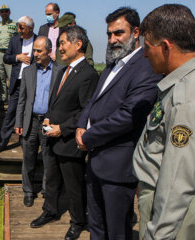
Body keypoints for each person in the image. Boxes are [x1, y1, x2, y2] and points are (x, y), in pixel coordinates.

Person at [75, 7, 162, 239]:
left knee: (117, 232)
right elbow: (93, 100)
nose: (112, 40)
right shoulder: (112, 65)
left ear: (136, 32)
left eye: (118, 33)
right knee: (96, 227)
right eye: (109, 34)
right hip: (95, 162)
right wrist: (81, 125)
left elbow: (128, 116)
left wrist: (88, 137)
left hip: (118, 166)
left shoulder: (146, 67)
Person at [133, 4, 195, 239]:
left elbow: (177, 182)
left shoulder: (185, 98)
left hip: (166, 218)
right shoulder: (177, 85)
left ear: (166, 47)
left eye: (148, 47)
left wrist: (158, 234)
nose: (145, 54)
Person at [31, 26, 99, 240]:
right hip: (52, 137)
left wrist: (63, 128)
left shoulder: (88, 74)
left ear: (78, 44)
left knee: (73, 185)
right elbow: (58, 101)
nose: (59, 47)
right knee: (50, 179)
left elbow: (85, 110)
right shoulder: (64, 70)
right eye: (59, 43)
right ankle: (50, 211)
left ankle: (78, 221)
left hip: (69, 140)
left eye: (62, 43)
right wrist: (50, 117)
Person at [15, 36, 62, 207]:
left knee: (49, 160)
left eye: (39, 51)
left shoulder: (59, 71)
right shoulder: (28, 71)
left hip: (48, 122)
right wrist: (19, 122)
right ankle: (28, 191)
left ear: (49, 51)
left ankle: (45, 190)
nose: (35, 54)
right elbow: (22, 99)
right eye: (34, 50)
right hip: (31, 122)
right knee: (28, 158)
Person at [0, 16, 37, 153]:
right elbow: (6, 58)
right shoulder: (14, 40)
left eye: (21, 28)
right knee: (11, 111)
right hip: (17, 82)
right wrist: (18, 57)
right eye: (18, 27)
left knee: (28, 112)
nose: (19, 30)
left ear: (30, 28)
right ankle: (3, 142)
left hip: (32, 83)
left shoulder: (38, 40)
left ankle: (24, 141)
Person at [0, 4, 18, 104]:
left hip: (10, 53)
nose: (4, 13)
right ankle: (3, 98)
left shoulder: (15, 24)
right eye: (2, 11)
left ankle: (12, 98)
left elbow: (19, 38)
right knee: (1, 76)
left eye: (6, 11)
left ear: (9, 12)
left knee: (11, 76)